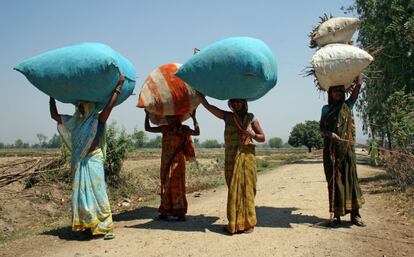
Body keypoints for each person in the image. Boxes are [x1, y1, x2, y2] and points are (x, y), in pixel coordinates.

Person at [50, 75, 126, 239]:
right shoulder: (74, 122)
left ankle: (105, 227)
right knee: (81, 195)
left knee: (98, 193)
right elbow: (54, 116)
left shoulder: (97, 120)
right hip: (80, 161)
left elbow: (110, 106)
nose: (81, 109)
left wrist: (118, 87)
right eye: (79, 107)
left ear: (91, 108)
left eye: (83, 107)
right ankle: (87, 226)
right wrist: (51, 96)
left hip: (93, 159)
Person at [200, 97, 265, 234]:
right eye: (233, 102)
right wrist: (201, 97)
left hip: (247, 158)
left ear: (244, 103)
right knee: (233, 189)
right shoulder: (227, 116)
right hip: (232, 159)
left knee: (248, 189)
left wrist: (251, 134)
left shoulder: (251, 117)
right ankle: (234, 223)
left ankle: (249, 223)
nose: (236, 105)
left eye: (239, 102)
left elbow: (262, 137)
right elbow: (210, 107)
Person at [319, 74, 366, 227]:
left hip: (347, 151)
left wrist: (358, 83)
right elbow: (321, 129)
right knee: (334, 182)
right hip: (331, 152)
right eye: (335, 91)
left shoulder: (348, 105)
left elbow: (355, 95)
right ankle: (336, 216)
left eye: (340, 91)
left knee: (350, 180)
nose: (338, 94)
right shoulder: (326, 109)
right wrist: (330, 134)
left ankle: (355, 215)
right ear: (330, 94)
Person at [145, 110, 199, 221]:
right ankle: (165, 211)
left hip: (178, 162)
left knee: (177, 185)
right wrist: (147, 115)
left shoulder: (184, 129)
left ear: (177, 118)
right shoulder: (165, 128)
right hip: (165, 161)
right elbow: (148, 128)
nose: (170, 119)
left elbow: (197, 132)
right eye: (168, 117)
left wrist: (194, 118)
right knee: (166, 185)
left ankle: (180, 212)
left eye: (172, 117)